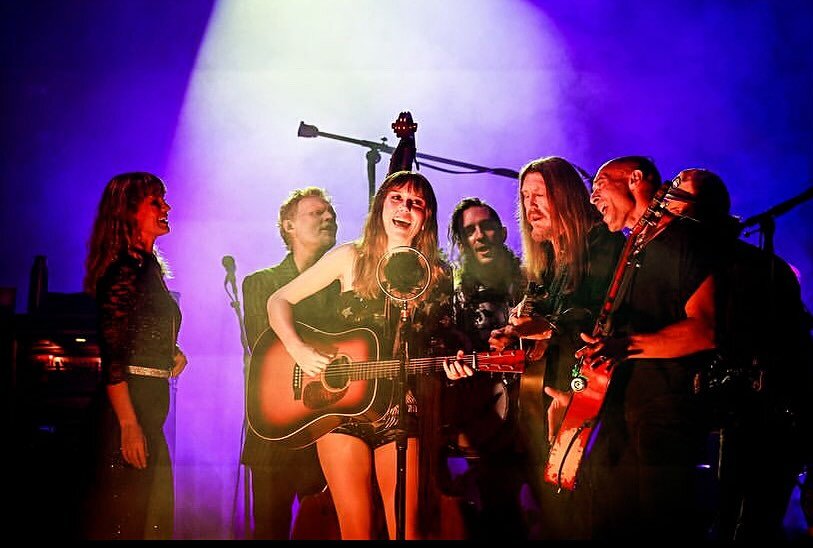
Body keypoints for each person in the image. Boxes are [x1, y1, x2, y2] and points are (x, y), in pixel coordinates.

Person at [266, 170, 455, 540]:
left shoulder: (437, 273)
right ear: (381, 205)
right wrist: (299, 349)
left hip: (401, 409)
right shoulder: (350, 257)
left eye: (416, 202)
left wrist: (453, 365)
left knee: (407, 531)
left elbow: (443, 343)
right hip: (341, 410)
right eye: (396, 198)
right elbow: (279, 300)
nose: (405, 207)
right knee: (356, 531)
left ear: (426, 215)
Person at [446, 156, 625, 539]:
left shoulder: (602, 242)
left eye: (540, 194)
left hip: (593, 409)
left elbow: (601, 317)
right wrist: (513, 337)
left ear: (566, 196)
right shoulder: (547, 262)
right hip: (544, 408)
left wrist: (545, 327)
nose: (531, 206)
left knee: (583, 520)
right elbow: (541, 325)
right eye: (525, 197)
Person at [665, 168, 813, 541]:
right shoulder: (669, 265)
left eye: (676, 193)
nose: (664, 201)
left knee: (747, 522)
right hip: (694, 415)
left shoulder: (758, 267)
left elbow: (793, 344)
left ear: (705, 209)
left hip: (756, 417)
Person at [575, 156, 717, 540]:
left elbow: (705, 329)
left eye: (599, 185)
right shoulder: (632, 249)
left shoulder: (684, 238)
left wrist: (626, 345)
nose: (592, 200)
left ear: (636, 180)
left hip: (666, 411)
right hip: (621, 408)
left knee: (661, 524)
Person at [81, 172, 188, 539]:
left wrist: (170, 351)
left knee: (148, 518)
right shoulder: (123, 271)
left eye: (164, 200)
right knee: (125, 522)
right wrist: (128, 425)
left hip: (150, 405)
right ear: (128, 212)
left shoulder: (148, 268)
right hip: (129, 410)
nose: (166, 208)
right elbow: (112, 355)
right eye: (155, 202)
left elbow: (136, 331)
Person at [240, 187, 340, 539]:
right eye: (317, 213)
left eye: (331, 213)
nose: (329, 217)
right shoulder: (261, 283)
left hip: (326, 427)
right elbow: (262, 343)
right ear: (288, 226)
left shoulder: (342, 287)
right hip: (274, 432)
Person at [443, 197, 527, 539]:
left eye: (487, 226)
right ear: (463, 242)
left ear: (502, 232)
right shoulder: (454, 294)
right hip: (486, 416)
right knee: (496, 510)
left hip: (535, 409)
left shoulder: (529, 279)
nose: (480, 235)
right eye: (470, 230)